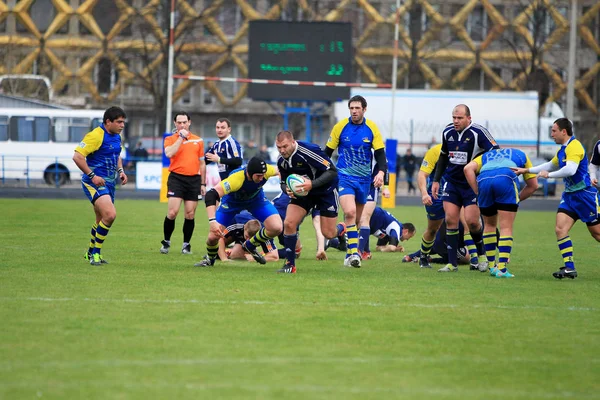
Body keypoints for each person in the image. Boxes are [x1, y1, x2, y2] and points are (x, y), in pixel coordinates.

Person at [512, 118, 600, 279]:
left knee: (597, 234)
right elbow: (550, 165)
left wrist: (549, 176)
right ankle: (569, 268)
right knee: (560, 229)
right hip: (570, 196)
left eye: (554, 131)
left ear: (563, 132)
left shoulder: (574, 146)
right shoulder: (562, 150)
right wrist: (526, 170)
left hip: (585, 195)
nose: (551, 134)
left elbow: (570, 170)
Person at [431, 104, 498, 273]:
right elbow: (444, 156)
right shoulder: (448, 132)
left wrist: (481, 170)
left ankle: (482, 255)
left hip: (471, 184)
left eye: (459, 118)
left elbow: (495, 151)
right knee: (450, 220)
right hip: (452, 183)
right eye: (454, 117)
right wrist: (436, 180)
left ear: (469, 118)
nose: (456, 121)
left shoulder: (478, 132)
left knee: (473, 222)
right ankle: (452, 263)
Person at [325, 95, 388, 268]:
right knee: (350, 213)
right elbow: (327, 153)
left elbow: (381, 155)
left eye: (357, 108)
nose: (354, 111)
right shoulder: (340, 127)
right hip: (344, 177)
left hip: (364, 180)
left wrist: (381, 172)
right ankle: (355, 254)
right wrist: (324, 174)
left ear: (364, 109)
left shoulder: (372, 128)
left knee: (358, 220)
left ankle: (349, 254)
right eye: (351, 108)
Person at [195, 157, 283, 267]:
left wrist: (285, 183)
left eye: (263, 175)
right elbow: (211, 194)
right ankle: (210, 260)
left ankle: (250, 245)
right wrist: (212, 221)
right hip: (232, 204)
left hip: (256, 201)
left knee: (277, 227)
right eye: (258, 176)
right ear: (250, 173)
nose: (262, 178)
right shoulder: (236, 179)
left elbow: (280, 170)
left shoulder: (266, 171)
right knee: (212, 238)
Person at [464, 148, 538, 278]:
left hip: (484, 180)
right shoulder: (521, 155)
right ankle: (502, 268)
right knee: (506, 226)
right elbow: (533, 186)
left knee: (489, 226)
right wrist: (515, 199)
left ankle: (492, 266)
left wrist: (477, 191)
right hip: (505, 177)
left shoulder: (486, 155)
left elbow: (467, 169)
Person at [276, 130, 341, 273]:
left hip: (326, 191)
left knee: (328, 233)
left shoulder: (309, 151)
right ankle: (290, 265)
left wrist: (312, 184)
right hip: (305, 193)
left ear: (293, 142)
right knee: (289, 223)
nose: (282, 150)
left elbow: (332, 171)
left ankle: (341, 231)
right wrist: (286, 189)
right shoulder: (282, 161)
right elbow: (283, 182)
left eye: (285, 146)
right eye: (279, 147)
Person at [73, 106, 128, 266]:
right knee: (110, 215)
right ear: (108, 122)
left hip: (109, 183)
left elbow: (116, 155)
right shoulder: (96, 135)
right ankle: (95, 254)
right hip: (93, 182)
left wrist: (121, 171)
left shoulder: (117, 136)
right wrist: (92, 175)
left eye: (123, 122)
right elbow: (77, 156)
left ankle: (89, 252)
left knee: (101, 219)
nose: (122, 125)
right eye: (119, 122)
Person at [416, 144, 480, 269]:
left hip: (457, 194)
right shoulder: (435, 151)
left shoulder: (467, 149)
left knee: (469, 224)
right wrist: (424, 194)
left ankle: (475, 261)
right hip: (436, 196)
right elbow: (422, 174)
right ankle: (423, 257)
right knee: (432, 229)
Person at [160, 112, 206, 255]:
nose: (182, 125)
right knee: (172, 212)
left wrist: (203, 184)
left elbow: (202, 163)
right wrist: (181, 137)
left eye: (184, 122)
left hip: (193, 180)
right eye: (179, 122)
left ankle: (186, 244)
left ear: (189, 122)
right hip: (176, 178)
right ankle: (166, 241)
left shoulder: (198, 140)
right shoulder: (170, 139)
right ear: (175, 124)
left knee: (190, 214)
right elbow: (169, 154)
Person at [328, 207, 415, 253]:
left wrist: (384, 248)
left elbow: (378, 248)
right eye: (409, 237)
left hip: (371, 218)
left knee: (351, 247)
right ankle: (342, 227)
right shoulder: (396, 228)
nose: (407, 240)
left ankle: (330, 242)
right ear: (406, 231)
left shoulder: (389, 230)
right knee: (353, 245)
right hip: (371, 214)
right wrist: (394, 249)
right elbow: (391, 248)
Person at [357, 163, 390, 260]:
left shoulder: (377, 149)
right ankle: (366, 251)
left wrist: (386, 187)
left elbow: (385, 169)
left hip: (371, 187)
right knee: (357, 220)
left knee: (365, 217)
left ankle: (359, 251)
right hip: (355, 183)